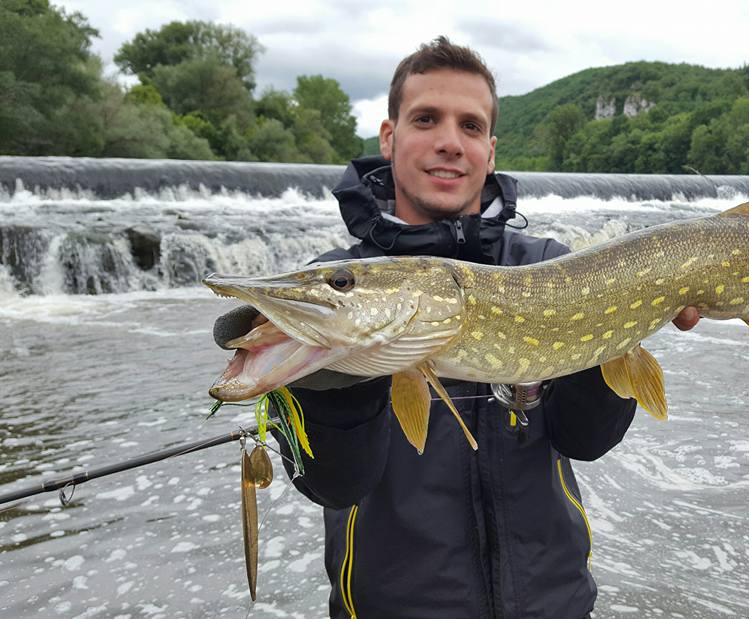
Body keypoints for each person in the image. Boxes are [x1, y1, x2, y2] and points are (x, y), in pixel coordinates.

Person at [215, 36, 699, 619]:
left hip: (553, 603)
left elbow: (587, 441)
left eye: (470, 126)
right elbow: (332, 485)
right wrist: (331, 382)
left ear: (490, 151)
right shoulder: (339, 281)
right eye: (426, 119)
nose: (449, 141)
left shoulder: (547, 263)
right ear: (389, 137)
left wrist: (625, 322)